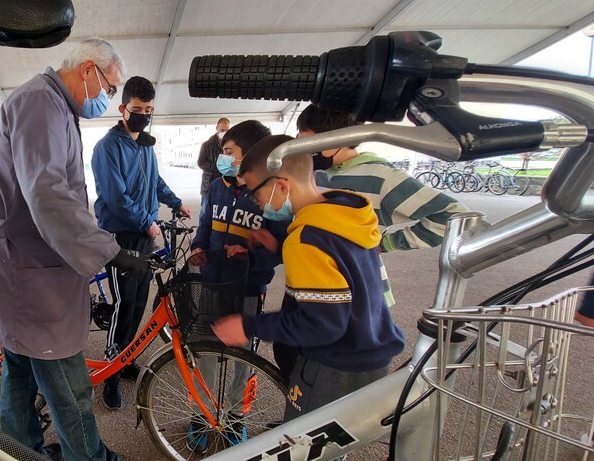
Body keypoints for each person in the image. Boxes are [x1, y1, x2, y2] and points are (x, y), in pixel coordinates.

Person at [0, 38, 145, 461]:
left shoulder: (53, 104)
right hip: (28, 265)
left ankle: (21, 451)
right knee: (64, 376)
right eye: (109, 87)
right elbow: (48, 193)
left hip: (29, 258)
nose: (108, 98)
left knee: (19, 369)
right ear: (88, 69)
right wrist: (109, 251)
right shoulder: (40, 103)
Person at [213, 134, 406, 422]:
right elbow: (340, 275)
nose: (256, 203)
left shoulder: (306, 240)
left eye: (256, 193)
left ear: (281, 185)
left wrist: (248, 325)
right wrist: (278, 248)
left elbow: (321, 324)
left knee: (308, 442)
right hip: (368, 351)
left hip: (335, 366)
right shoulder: (343, 213)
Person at [90, 75, 191, 410]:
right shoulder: (107, 147)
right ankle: (110, 372)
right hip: (120, 237)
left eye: (149, 110)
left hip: (145, 235)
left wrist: (175, 202)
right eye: (138, 109)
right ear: (123, 108)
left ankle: (126, 357)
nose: (144, 114)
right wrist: (147, 222)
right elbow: (116, 198)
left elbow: (155, 181)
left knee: (138, 303)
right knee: (122, 304)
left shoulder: (146, 145)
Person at [186, 120, 285, 450]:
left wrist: (250, 258)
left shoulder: (270, 195)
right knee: (204, 354)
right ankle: (202, 415)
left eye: (229, 152)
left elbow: (279, 248)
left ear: (252, 156)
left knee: (243, 358)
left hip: (247, 289)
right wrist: (198, 248)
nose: (223, 158)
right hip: (212, 284)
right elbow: (203, 226)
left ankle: (234, 418)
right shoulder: (215, 187)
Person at [298, 104, 470, 252]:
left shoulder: (380, 177)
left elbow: (454, 215)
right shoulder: (316, 173)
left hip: (361, 283)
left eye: (311, 144)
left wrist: (386, 244)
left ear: (339, 139)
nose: (304, 151)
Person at [197, 117, 231, 203]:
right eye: (222, 130)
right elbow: (201, 163)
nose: (224, 133)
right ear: (217, 128)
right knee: (205, 212)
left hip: (225, 184)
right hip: (209, 184)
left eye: (227, 130)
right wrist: (218, 166)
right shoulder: (207, 145)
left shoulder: (231, 145)